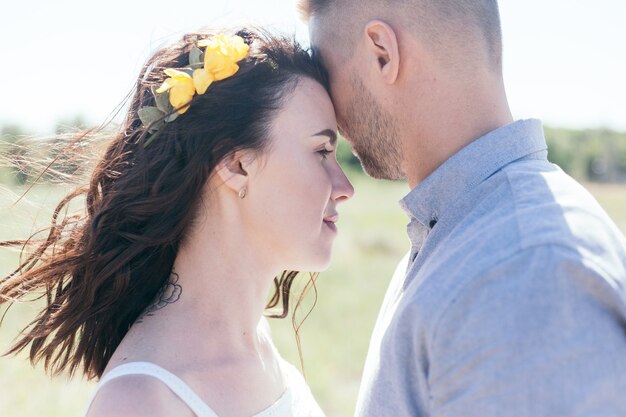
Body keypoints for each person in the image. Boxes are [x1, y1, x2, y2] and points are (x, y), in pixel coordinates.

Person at [0, 28, 353, 417]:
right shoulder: (141, 401)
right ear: (236, 166)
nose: (345, 187)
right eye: (321, 151)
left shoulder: (257, 345)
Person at [299, 0, 626, 416]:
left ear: (383, 53)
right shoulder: (465, 233)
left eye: (325, 73)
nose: (330, 108)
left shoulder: (521, 270)